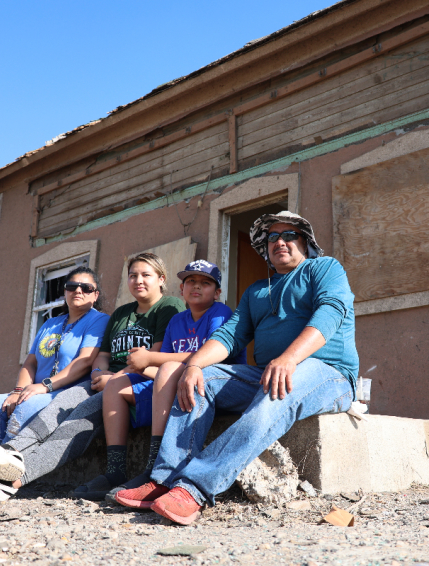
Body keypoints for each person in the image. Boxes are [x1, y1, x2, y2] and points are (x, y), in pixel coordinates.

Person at [113, 211, 359, 525]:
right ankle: (166, 479)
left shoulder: (324, 268)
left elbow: (330, 311)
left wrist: (289, 358)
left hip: (329, 371)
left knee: (277, 388)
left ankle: (194, 488)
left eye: (289, 235)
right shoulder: (256, 290)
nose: (279, 241)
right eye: (272, 237)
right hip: (269, 370)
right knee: (203, 379)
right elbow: (229, 335)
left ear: (306, 242)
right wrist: (194, 365)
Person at [0, 253, 184, 501]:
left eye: (146, 275)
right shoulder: (121, 314)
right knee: (58, 408)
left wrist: (114, 378)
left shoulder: (169, 307)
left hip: (138, 382)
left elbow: (153, 356)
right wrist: (99, 373)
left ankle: (13, 478)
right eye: (133, 275)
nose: (138, 280)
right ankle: (8, 453)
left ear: (161, 279)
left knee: (75, 424)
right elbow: (102, 356)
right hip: (105, 381)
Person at [77, 260, 246, 500]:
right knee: (116, 385)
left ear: (217, 292)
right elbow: (161, 366)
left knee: (164, 369)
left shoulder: (220, 313)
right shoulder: (177, 320)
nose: (196, 287)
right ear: (181, 289)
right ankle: (115, 471)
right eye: (191, 282)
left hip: (211, 382)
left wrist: (149, 358)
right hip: (176, 381)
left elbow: (210, 354)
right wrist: (139, 367)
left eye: (205, 283)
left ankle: (154, 468)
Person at [0, 267, 109, 497]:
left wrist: (45, 386)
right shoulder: (50, 324)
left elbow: (85, 361)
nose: (78, 291)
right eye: (72, 286)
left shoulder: (99, 320)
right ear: (65, 291)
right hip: (34, 389)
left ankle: (1, 473)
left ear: (96, 295)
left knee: (26, 406)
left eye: (86, 288)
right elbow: (30, 363)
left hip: (62, 392)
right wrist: (18, 390)